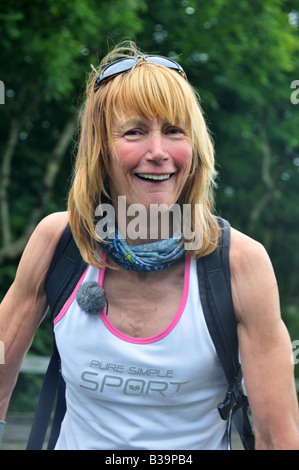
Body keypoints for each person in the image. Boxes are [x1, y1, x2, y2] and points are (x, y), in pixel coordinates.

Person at [0, 40, 299, 450]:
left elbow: (276, 438)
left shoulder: (239, 264)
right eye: (135, 132)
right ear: (99, 151)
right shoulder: (59, 242)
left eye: (174, 131)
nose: (158, 152)